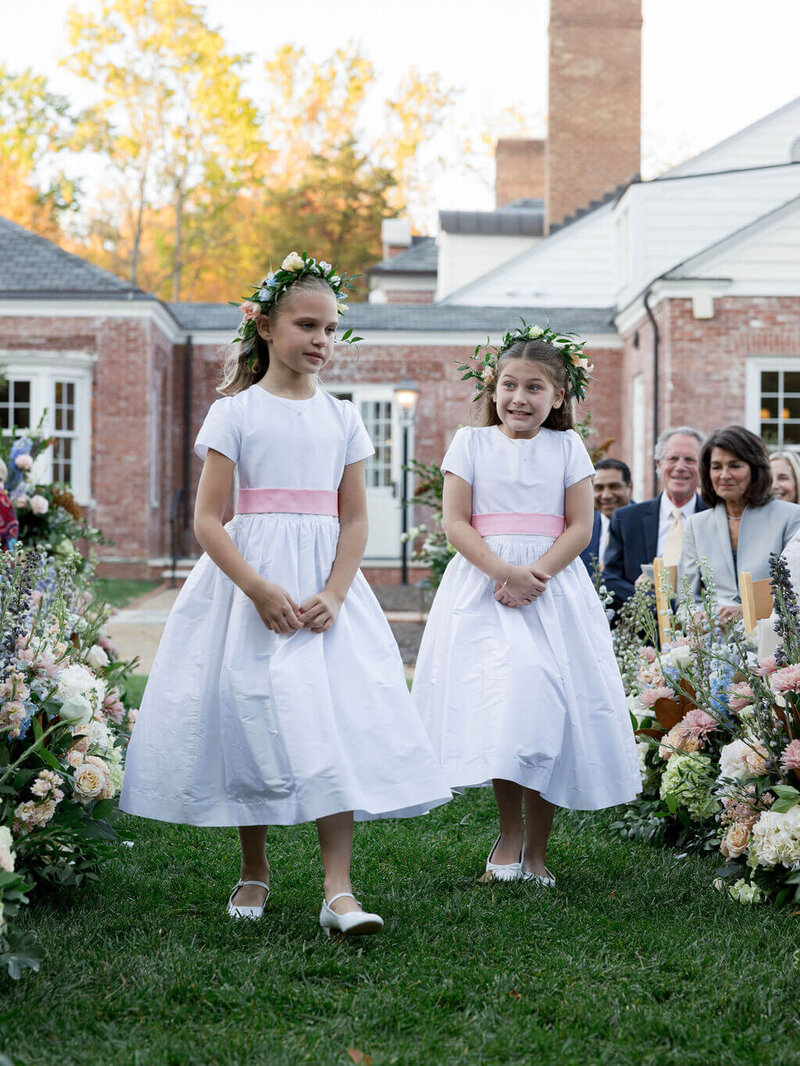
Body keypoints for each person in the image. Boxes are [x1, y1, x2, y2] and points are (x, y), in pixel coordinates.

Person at [120, 252, 450, 936]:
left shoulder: (343, 419)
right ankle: (254, 867)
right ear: (266, 326)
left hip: (325, 595)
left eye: (331, 328)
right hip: (251, 588)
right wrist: (256, 587)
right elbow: (208, 520)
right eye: (307, 325)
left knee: (332, 720)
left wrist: (334, 589)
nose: (322, 340)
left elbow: (354, 518)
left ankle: (338, 889)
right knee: (252, 715)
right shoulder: (234, 414)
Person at [412, 324, 641, 886]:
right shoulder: (470, 444)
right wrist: (504, 572)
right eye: (509, 385)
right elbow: (455, 521)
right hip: (485, 587)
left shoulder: (567, 448)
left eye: (535, 387)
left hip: (551, 588)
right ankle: (508, 833)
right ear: (492, 390)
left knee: (549, 704)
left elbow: (582, 526)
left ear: (559, 397)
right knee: (508, 705)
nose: (519, 398)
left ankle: (536, 849)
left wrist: (533, 575)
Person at [680, 426, 800, 623]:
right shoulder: (696, 525)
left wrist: (747, 611)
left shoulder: (791, 517)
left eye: (735, 466)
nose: (724, 475)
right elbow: (686, 601)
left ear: (755, 469)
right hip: (715, 643)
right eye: (717, 467)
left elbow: (795, 592)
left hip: (771, 641)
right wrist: (698, 617)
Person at [603, 427, 706, 611]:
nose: (680, 467)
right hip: (643, 631)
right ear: (659, 465)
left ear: (701, 468)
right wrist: (655, 602)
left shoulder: (714, 519)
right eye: (673, 458)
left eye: (690, 460)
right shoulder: (627, 520)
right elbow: (610, 581)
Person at [579, 457, 633, 578]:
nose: (606, 495)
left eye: (614, 487)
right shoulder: (582, 526)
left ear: (630, 488)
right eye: (599, 488)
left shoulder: (645, 523)